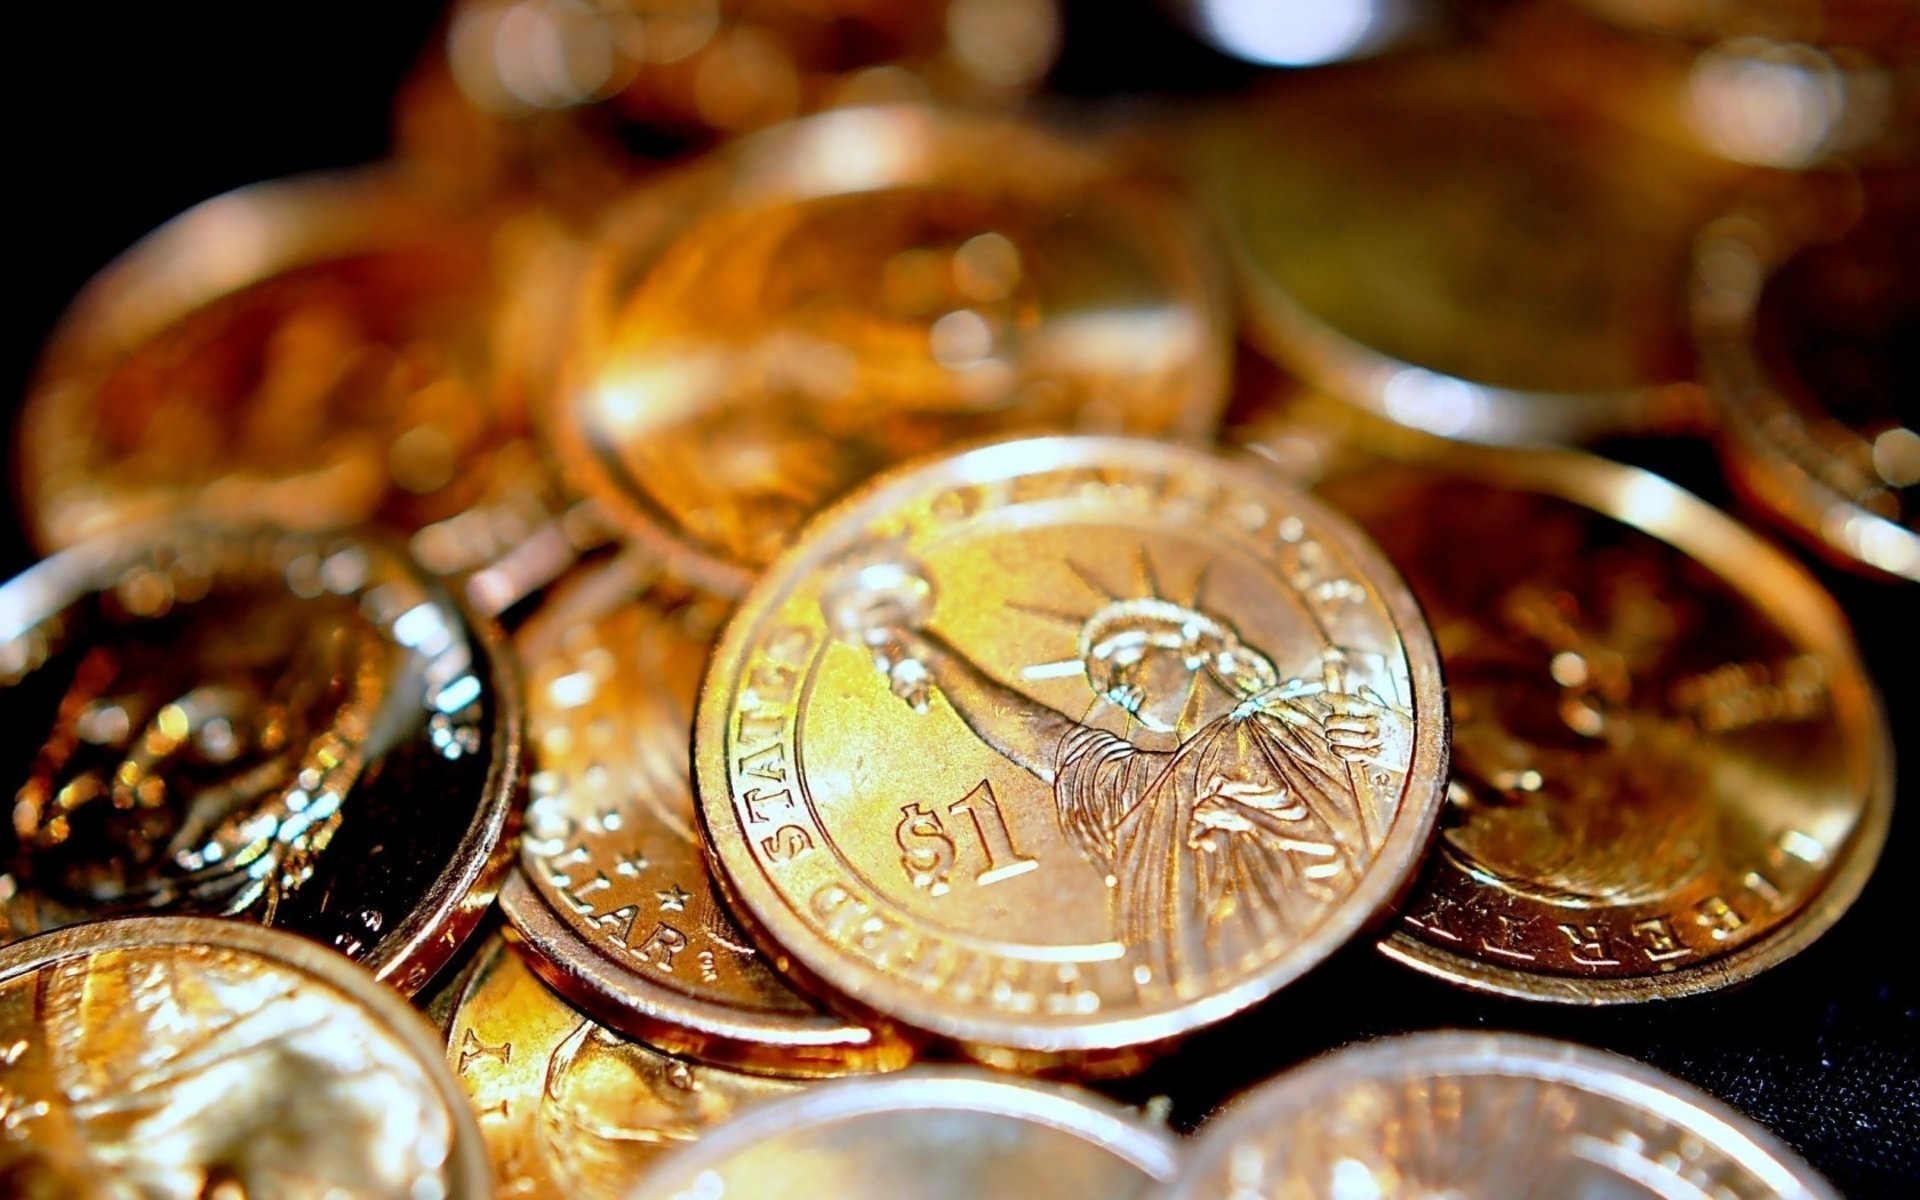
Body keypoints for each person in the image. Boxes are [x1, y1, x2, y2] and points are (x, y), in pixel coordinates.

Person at [825, 560, 1413, 997]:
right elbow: (1029, 732)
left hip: (1328, 968)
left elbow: (1389, 789)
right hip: (1200, 981)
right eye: (1106, 682)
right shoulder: (1140, 786)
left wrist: (1392, 739)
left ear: (1193, 648)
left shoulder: (1310, 714)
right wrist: (925, 651)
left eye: (1126, 663)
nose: (1116, 686)